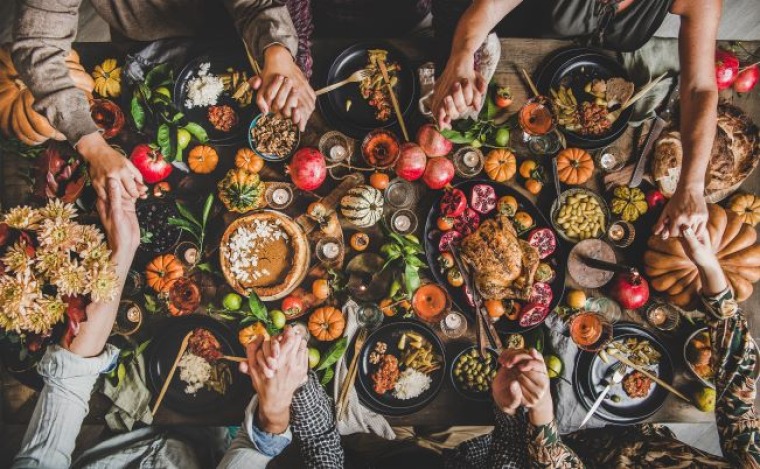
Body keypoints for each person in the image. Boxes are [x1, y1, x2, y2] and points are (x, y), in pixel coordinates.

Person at [11, 180, 344, 469]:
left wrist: (124, 248)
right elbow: (258, 448)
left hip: (121, 436)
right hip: (213, 446)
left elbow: (69, 381)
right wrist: (275, 405)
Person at [443, 225, 760, 468]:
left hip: (564, 450)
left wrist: (538, 414)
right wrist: (710, 268)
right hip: (631, 435)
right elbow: (738, 376)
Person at [431, 0, 721, 242]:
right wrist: (462, 56)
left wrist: (692, 186)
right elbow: (491, 7)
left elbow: (700, 89)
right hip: (518, 65)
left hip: (594, 97)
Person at [12, 0, 317, 204]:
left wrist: (277, 52)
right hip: (144, 43)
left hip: (237, 32)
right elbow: (38, 47)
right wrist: (92, 144)